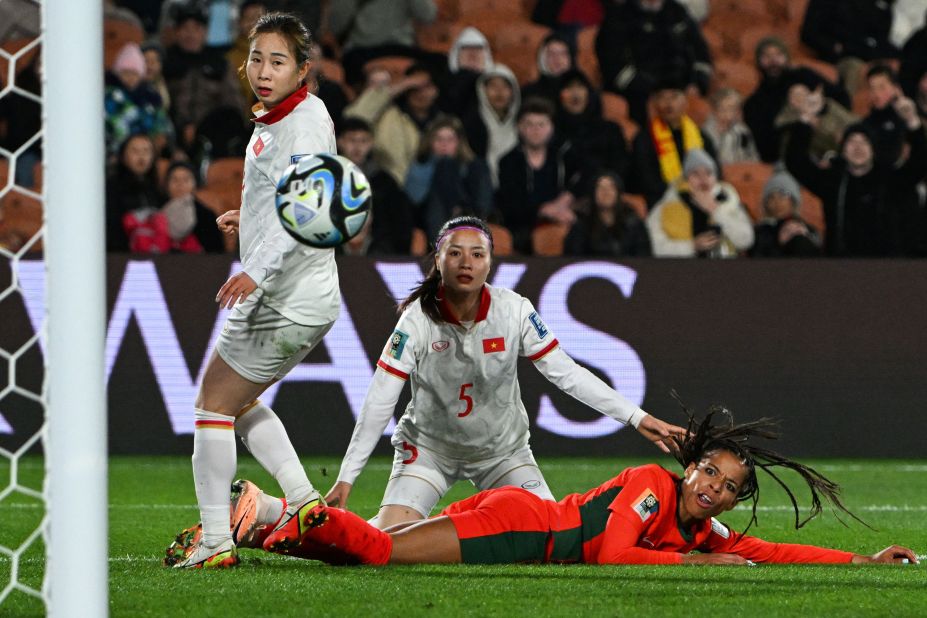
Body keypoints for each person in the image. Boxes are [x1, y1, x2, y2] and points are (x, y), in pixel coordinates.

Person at [304, 216, 684, 535]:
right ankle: (284, 519)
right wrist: (347, 477)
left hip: (503, 453)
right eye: (454, 253)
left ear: (490, 263)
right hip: (430, 451)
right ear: (437, 261)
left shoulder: (513, 310)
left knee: (549, 538)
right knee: (387, 542)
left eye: (477, 254)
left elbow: (566, 374)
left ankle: (451, 524)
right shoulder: (417, 320)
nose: (465, 262)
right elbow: (379, 399)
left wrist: (637, 417)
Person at [250, 404, 919, 567]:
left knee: (374, 545)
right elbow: (612, 551)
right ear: (689, 467)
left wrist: (862, 559)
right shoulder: (652, 484)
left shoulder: (694, 522)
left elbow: (770, 552)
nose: (714, 487)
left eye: (727, 485)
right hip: (520, 526)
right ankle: (273, 512)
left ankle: (262, 522)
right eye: (709, 470)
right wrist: (691, 562)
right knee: (384, 553)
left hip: (516, 517)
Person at [175, 11, 340, 569]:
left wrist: (256, 269)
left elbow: (311, 212)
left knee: (212, 406)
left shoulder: (305, 123)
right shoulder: (280, 118)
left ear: (303, 70)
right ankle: (302, 500)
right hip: (300, 296)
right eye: (256, 59)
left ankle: (217, 542)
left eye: (278, 61)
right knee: (238, 402)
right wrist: (248, 218)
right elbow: (284, 202)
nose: (264, 71)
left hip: (286, 296)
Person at [784, 97, 926, 257]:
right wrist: (805, 118)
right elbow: (795, 162)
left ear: (873, 150)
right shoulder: (832, 182)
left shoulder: (890, 180)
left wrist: (912, 121)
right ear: (843, 151)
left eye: (864, 142)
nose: (858, 147)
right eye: (852, 142)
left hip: (887, 270)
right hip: (840, 270)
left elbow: (919, 164)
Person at [596, 0, 712, 126]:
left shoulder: (677, 12)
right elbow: (612, 64)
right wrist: (651, 90)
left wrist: (697, 83)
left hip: (681, 86)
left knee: (701, 108)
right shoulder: (619, 16)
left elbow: (701, 53)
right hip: (639, 92)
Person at [495, 98, 583, 252]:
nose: (536, 130)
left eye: (541, 124)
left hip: (562, 221)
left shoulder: (563, 155)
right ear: (520, 128)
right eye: (529, 124)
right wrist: (544, 210)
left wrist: (566, 198)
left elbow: (589, 174)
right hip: (523, 228)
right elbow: (510, 206)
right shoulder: (508, 161)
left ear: (551, 127)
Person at [743, 36, 850, 164]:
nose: (773, 61)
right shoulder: (754, 103)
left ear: (787, 57)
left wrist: (821, 110)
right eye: (766, 56)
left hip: (829, 124)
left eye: (778, 54)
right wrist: (803, 123)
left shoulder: (804, 76)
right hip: (796, 150)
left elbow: (842, 98)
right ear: (758, 62)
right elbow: (767, 146)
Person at [629, 77, 719, 208]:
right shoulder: (644, 139)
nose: (668, 104)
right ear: (655, 103)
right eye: (662, 98)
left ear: (685, 101)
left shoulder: (701, 136)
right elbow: (646, 180)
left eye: (674, 97)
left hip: (702, 201)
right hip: (662, 203)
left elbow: (715, 172)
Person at [646, 149, 754, 258]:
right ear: (686, 180)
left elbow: (746, 240)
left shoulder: (728, 201)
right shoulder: (669, 204)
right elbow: (653, 246)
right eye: (696, 174)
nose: (703, 179)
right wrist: (692, 246)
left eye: (708, 173)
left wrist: (716, 211)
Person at [405, 116, 493, 240]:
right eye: (438, 139)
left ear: (459, 142)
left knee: (470, 166)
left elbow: (484, 203)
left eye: (450, 139)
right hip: (428, 219)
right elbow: (415, 197)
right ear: (430, 142)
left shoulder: (474, 167)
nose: (444, 144)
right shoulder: (421, 165)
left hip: (473, 217)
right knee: (445, 166)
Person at [336, 117, 415, 254]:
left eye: (363, 141)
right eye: (352, 140)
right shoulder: (329, 177)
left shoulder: (384, 181)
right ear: (340, 141)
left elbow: (400, 224)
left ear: (371, 143)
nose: (357, 147)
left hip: (378, 252)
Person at [105, 42, 172, 158]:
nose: (130, 78)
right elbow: (114, 123)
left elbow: (160, 123)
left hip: (147, 150)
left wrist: (158, 136)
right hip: (117, 150)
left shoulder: (151, 97)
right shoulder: (111, 95)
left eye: (134, 73)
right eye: (125, 73)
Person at [563, 171, 651, 257]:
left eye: (611, 187)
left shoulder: (634, 224)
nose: (606, 192)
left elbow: (644, 260)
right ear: (592, 194)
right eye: (600, 188)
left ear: (618, 193)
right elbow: (571, 260)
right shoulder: (581, 224)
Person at [461, 63, 521, 188]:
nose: (499, 92)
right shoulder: (471, 123)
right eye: (493, 86)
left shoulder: (522, 123)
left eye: (505, 86)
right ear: (483, 90)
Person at [105, 133, 165, 252]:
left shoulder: (158, 190)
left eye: (146, 151)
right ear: (123, 156)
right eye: (135, 151)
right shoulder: (111, 188)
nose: (141, 156)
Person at [749, 170, 822, 258]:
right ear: (765, 204)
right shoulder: (758, 232)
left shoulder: (806, 229)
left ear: (793, 200)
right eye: (771, 197)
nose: (777, 202)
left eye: (782, 195)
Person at [160, 161, 226, 253]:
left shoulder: (207, 216)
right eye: (174, 180)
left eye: (186, 180)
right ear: (167, 185)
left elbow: (216, 254)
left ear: (194, 185)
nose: (180, 184)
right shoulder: (158, 211)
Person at [701, 88, 759, 166]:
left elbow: (753, 156)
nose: (729, 114)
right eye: (725, 109)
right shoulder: (705, 132)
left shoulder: (743, 130)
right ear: (715, 110)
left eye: (733, 109)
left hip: (740, 173)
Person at [520, 33, 576, 107]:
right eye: (551, 54)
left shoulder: (580, 91)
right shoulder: (529, 92)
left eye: (563, 53)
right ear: (541, 58)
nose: (558, 59)